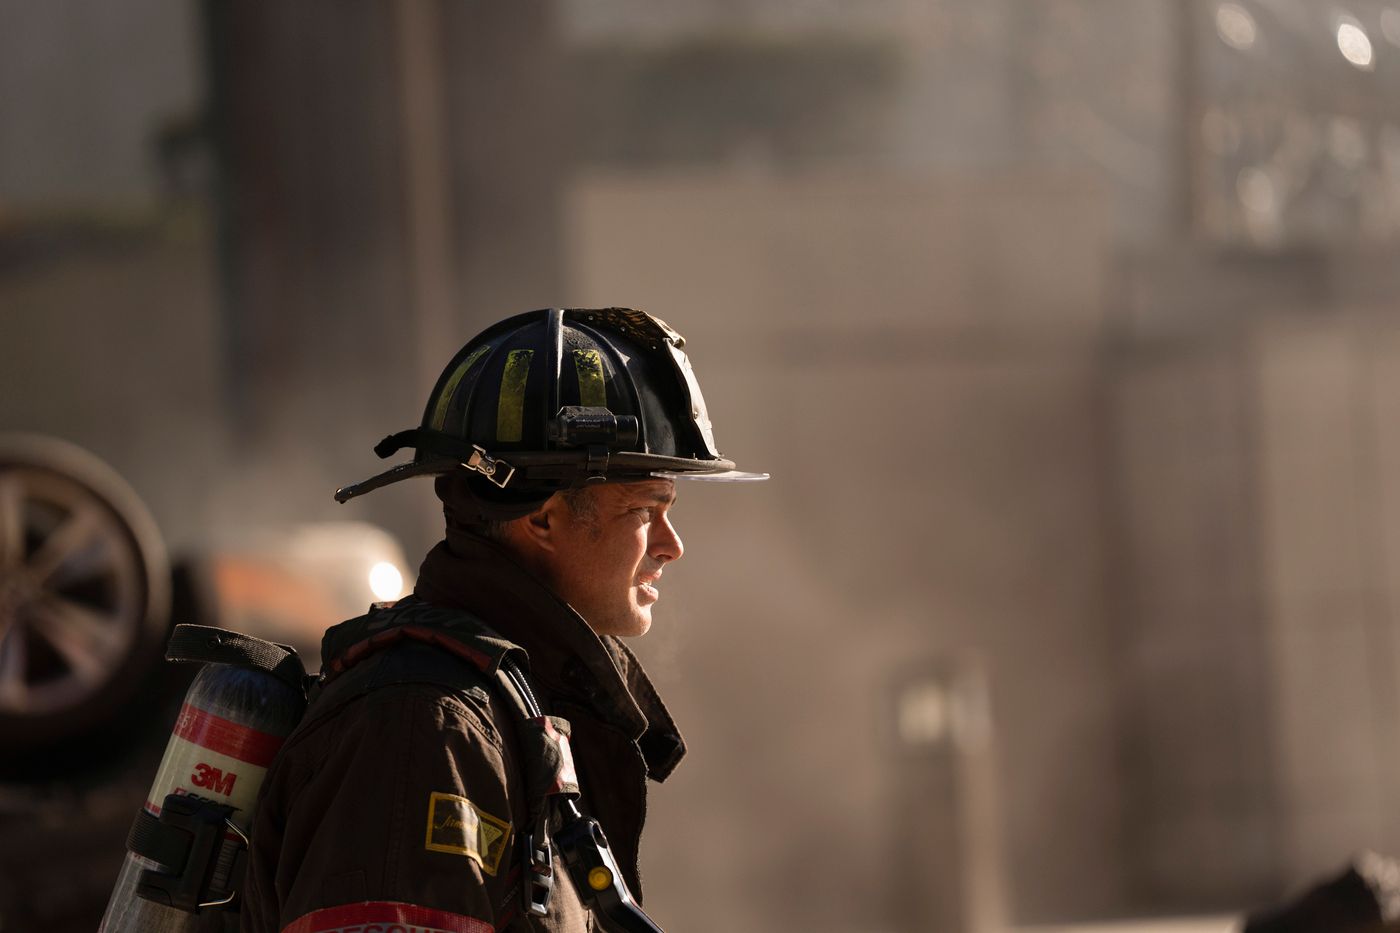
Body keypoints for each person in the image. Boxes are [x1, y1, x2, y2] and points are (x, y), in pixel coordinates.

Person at [242, 308, 764, 933]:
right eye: (645, 509)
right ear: (542, 519)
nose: (670, 545)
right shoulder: (424, 729)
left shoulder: (511, 714)